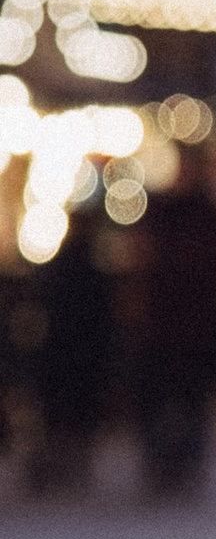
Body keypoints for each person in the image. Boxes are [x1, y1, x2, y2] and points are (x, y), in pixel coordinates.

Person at [125, 144, 216, 497]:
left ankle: (184, 464)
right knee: (157, 399)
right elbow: (140, 256)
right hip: (162, 327)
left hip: (193, 328)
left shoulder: (206, 213)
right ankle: (160, 464)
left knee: (190, 400)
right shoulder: (162, 211)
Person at [25, 207, 116, 495]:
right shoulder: (93, 266)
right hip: (83, 352)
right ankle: (73, 467)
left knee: (60, 412)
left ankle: (63, 466)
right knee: (79, 411)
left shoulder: (61, 265)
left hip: (61, 350)